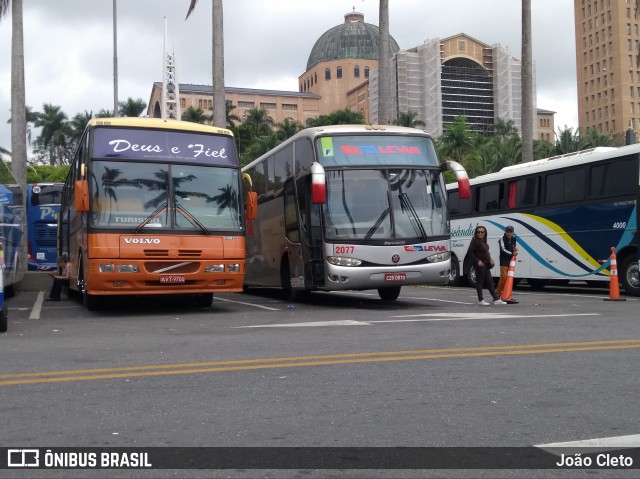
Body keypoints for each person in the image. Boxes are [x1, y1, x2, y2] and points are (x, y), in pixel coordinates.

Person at [467, 226, 506, 306]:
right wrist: (477, 261)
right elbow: (469, 252)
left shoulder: (483, 241)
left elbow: (486, 252)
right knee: (480, 282)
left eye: (482, 232)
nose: (480, 233)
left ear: (485, 233)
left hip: (486, 264)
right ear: (476, 233)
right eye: (478, 232)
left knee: (490, 281)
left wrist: (490, 259)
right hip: (480, 264)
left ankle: (496, 299)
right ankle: (481, 299)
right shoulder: (475, 241)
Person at [496, 225, 518, 298]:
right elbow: (502, 250)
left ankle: (505, 294)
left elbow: (513, 247)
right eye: (507, 232)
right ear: (505, 232)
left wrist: (515, 250)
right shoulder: (501, 239)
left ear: (513, 232)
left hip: (510, 260)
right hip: (504, 260)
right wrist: (512, 253)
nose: (509, 233)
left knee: (509, 278)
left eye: (510, 232)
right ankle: (497, 293)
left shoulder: (514, 238)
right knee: (504, 277)